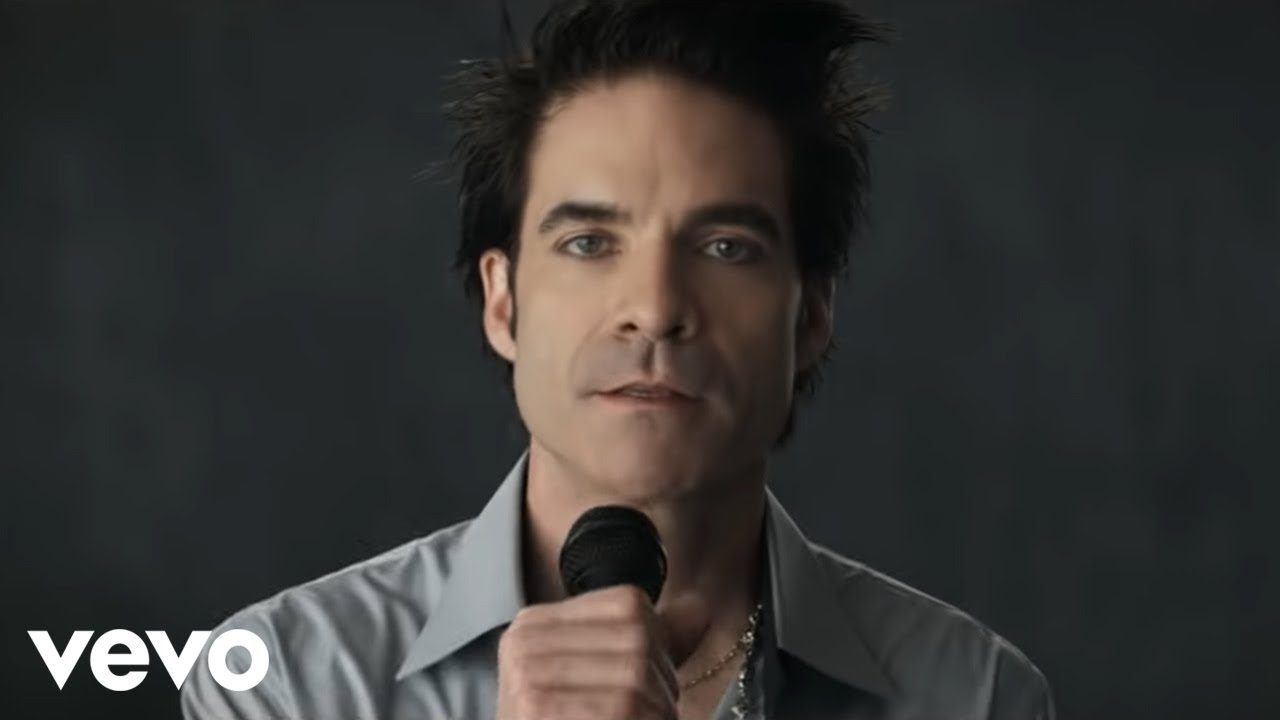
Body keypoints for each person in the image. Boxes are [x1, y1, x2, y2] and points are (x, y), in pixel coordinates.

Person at [181, 1, 1055, 718]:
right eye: (590, 242)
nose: (656, 308)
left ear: (812, 314)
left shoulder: (974, 697)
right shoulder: (285, 684)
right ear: (503, 302)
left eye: (726, 247)